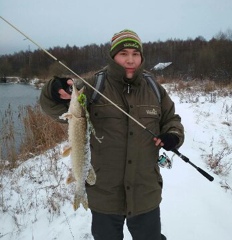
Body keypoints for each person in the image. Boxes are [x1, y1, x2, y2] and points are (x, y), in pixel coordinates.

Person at [40, 29, 184, 240]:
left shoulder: (154, 88)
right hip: (104, 193)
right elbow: (51, 106)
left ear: (141, 58)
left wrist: (173, 136)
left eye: (135, 54)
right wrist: (54, 89)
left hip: (145, 192)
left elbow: (172, 120)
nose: (130, 59)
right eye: (123, 53)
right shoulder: (92, 86)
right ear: (113, 56)